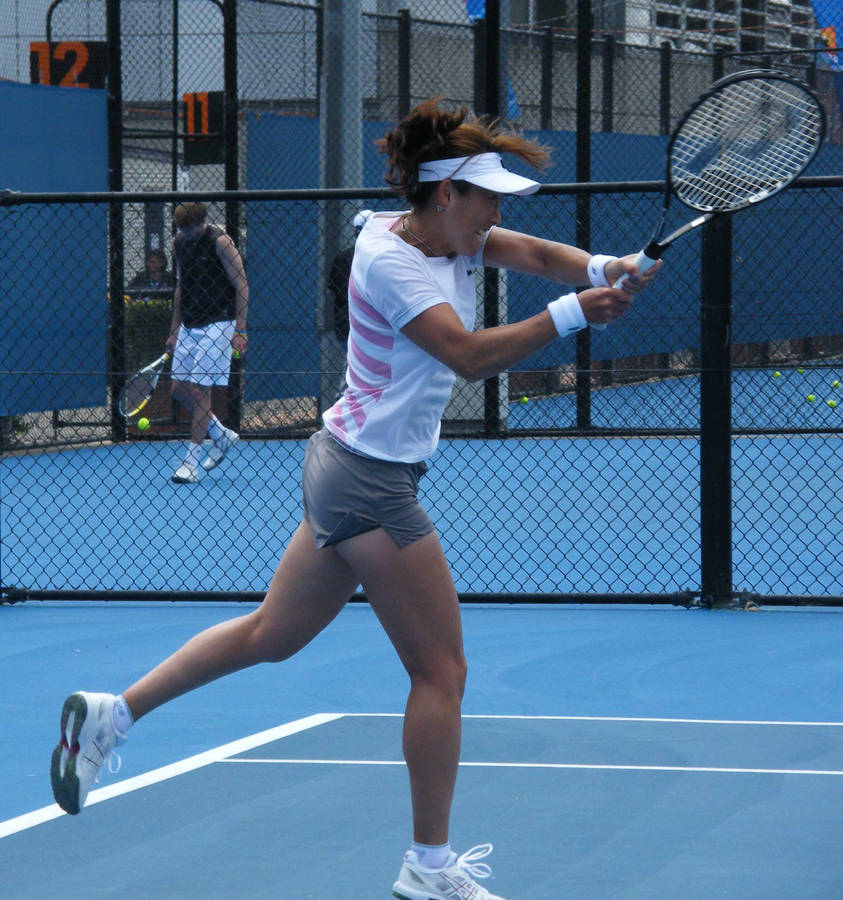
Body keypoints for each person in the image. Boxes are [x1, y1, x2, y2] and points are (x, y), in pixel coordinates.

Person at [49, 99, 659, 899]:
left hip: (347, 465)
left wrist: (597, 267)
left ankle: (112, 714)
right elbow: (468, 357)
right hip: (368, 480)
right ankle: (427, 869)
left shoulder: (454, 234)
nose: (496, 211)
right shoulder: (392, 262)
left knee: (273, 634)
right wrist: (577, 313)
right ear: (446, 194)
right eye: (486, 196)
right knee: (441, 671)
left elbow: (540, 253)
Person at [165, 201, 249, 484]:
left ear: (203, 223)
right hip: (189, 324)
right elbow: (181, 286)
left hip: (220, 323)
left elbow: (242, 285)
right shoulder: (179, 243)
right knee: (178, 389)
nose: (187, 233)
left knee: (201, 392)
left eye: (191, 228)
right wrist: (174, 329)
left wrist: (241, 330)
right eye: (182, 229)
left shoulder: (221, 242)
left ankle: (190, 464)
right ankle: (220, 433)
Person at [325, 208, 373, 397]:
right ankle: (345, 401)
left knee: (356, 367)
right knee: (359, 369)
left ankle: (348, 400)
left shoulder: (343, 257)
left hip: (346, 325)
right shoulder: (379, 257)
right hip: (361, 325)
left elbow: (330, 292)